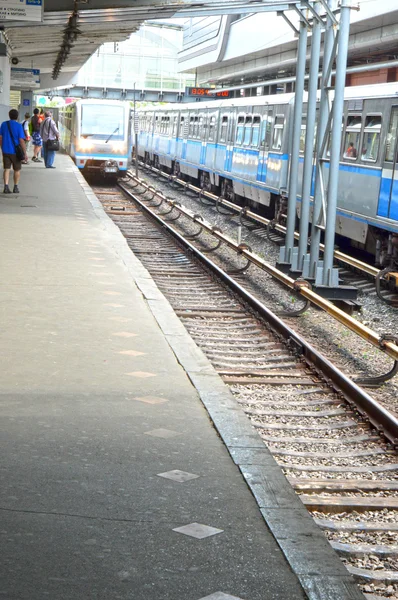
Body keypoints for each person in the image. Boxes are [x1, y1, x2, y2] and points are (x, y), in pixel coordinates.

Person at [0, 108, 28, 194]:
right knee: (17, 170)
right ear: (17, 116)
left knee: (6, 169)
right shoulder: (19, 126)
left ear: (9, 115)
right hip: (16, 152)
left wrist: (2, 147)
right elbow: (21, 140)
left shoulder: (4, 124)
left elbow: (0, 137)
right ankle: (15, 187)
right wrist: (25, 152)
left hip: (6, 151)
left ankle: (6, 187)